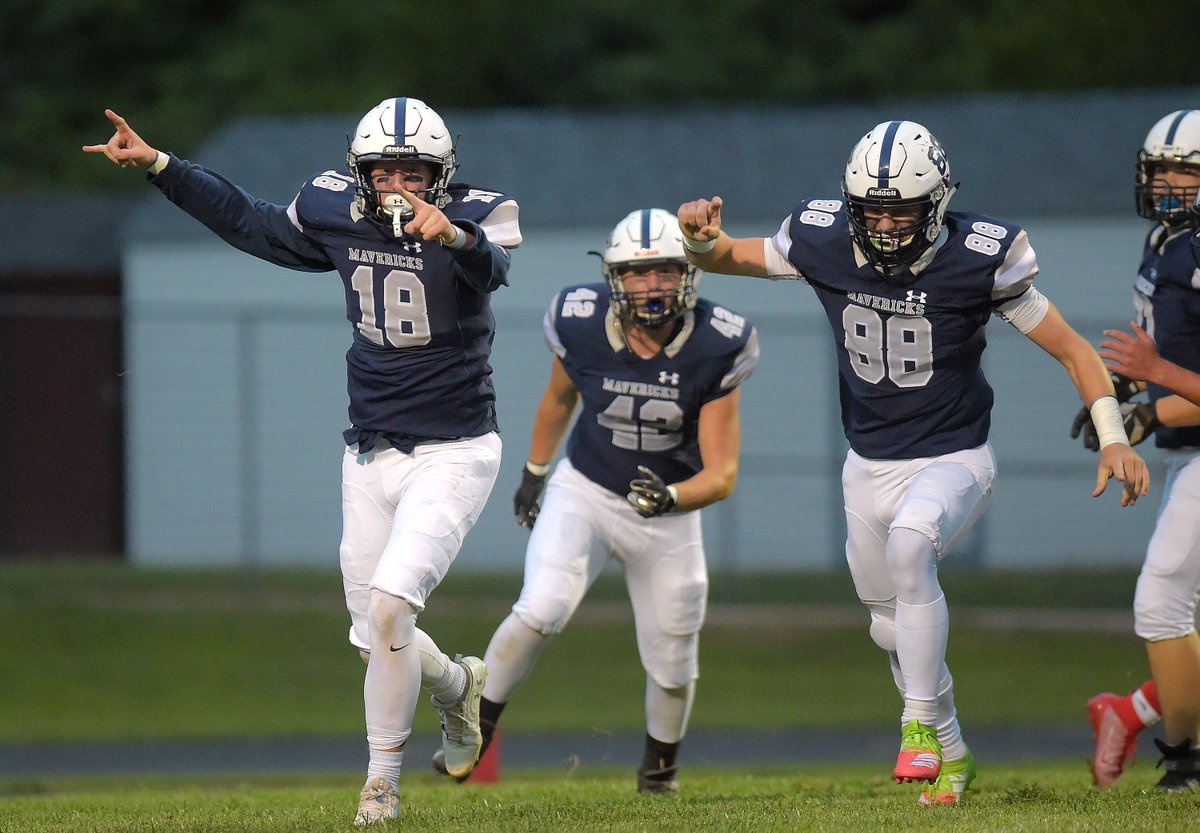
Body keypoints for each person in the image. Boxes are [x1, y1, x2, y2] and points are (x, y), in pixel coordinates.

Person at [677, 120, 1150, 806]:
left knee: (910, 550)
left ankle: (918, 727)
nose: (888, 225)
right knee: (886, 622)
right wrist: (697, 238)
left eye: (903, 209)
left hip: (955, 455)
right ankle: (952, 753)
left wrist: (1113, 435)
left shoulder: (979, 254)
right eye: (874, 211)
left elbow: (1075, 350)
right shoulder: (824, 239)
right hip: (867, 463)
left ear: (939, 202)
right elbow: (727, 257)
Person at [85, 98, 523, 825]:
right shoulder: (333, 207)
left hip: (454, 449)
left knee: (391, 606)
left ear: (441, 178)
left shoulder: (479, 214)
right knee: (372, 634)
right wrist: (162, 166)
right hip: (370, 447)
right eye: (386, 171)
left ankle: (380, 786)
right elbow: (252, 221)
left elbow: (494, 265)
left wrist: (458, 237)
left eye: (415, 173)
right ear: (361, 173)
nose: (399, 186)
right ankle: (457, 687)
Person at [431, 207, 759, 795]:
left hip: (667, 513)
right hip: (586, 488)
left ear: (690, 274)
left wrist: (673, 496)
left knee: (674, 662)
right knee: (540, 608)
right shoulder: (580, 321)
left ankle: (658, 776)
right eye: (638, 274)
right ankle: (474, 734)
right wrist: (535, 471)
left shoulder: (717, 342)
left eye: (665, 271)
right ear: (614, 278)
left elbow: (723, 473)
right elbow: (559, 399)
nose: (652, 286)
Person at [1078, 109, 1200, 792]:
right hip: (1191, 449)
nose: (1168, 183)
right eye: (1161, 170)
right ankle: (1132, 712)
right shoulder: (1166, 241)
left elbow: (1172, 367)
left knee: (1160, 603)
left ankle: (1180, 761)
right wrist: (1131, 398)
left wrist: (1153, 393)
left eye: (1186, 170)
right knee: (1169, 606)